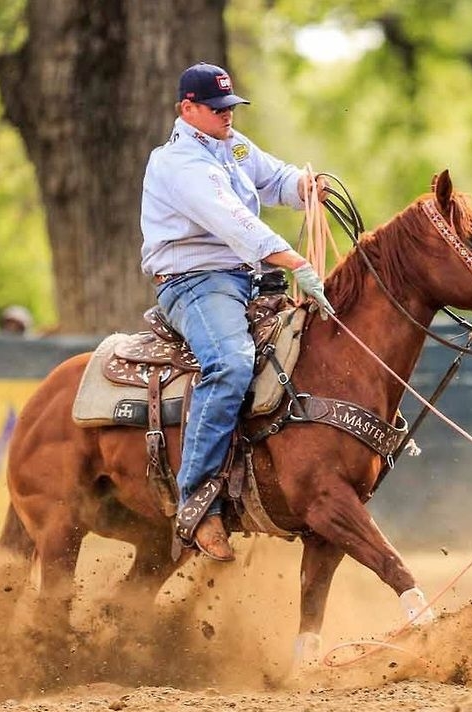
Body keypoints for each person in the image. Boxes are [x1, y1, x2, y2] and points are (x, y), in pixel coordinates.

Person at [140, 62, 334, 562]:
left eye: (230, 107)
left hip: (241, 280)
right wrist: (293, 260)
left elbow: (274, 178)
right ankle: (197, 500)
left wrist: (307, 187)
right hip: (196, 283)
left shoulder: (231, 145)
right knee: (229, 363)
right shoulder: (179, 163)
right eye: (217, 108)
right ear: (188, 109)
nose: (228, 116)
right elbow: (235, 222)